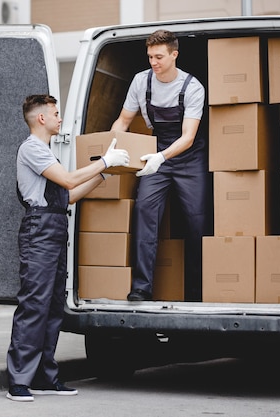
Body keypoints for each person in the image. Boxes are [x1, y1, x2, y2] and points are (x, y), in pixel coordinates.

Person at [6, 94, 129, 402]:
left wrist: (103, 174)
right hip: (39, 230)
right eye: (56, 113)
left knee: (51, 309)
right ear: (41, 119)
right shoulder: (32, 149)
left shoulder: (47, 152)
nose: (60, 118)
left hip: (55, 227)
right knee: (34, 305)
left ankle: (45, 377)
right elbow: (68, 180)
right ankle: (19, 381)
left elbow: (68, 196)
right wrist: (103, 161)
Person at [111, 29, 209, 302]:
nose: (154, 62)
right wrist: (113, 142)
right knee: (144, 211)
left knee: (196, 221)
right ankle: (141, 289)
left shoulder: (192, 87)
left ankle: (197, 292)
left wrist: (161, 157)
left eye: (159, 56)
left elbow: (188, 137)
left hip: (189, 156)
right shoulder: (141, 82)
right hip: (157, 153)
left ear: (174, 55)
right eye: (150, 56)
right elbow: (123, 120)